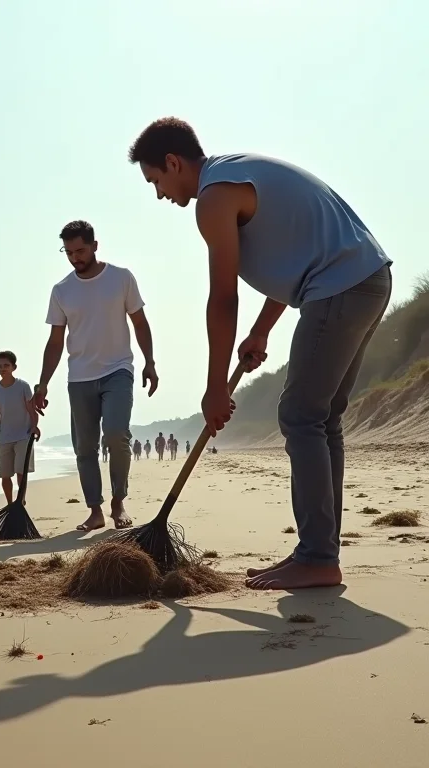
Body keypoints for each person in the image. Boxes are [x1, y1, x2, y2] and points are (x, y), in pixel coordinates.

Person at [129, 116, 392, 590]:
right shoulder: (237, 171)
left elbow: (222, 298)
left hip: (340, 286)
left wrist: (214, 389)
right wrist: (261, 332)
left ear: (173, 162)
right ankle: (320, 555)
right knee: (322, 417)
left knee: (299, 415)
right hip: (368, 278)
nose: (160, 194)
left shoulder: (213, 198)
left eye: (156, 181)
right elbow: (299, 252)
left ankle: (316, 557)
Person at [35, 220, 158, 531]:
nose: (75, 257)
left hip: (118, 369)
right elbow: (55, 341)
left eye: (80, 250)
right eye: (69, 252)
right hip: (79, 377)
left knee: (117, 434)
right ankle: (95, 510)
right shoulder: (62, 290)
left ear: (94, 246)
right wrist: (43, 383)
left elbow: (140, 323)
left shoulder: (120, 278)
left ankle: (119, 501)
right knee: (85, 447)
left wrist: (149, 362)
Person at [0, 351, 41, 505]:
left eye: (6, 366)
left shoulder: (22, 386)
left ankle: (20, 500)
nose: (2, 369)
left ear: (14, 367)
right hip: (5, 437)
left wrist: (35, 427)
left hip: (24, 435)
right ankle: (10, 504)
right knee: (4, 475)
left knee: (20, 473)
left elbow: (31, 410)